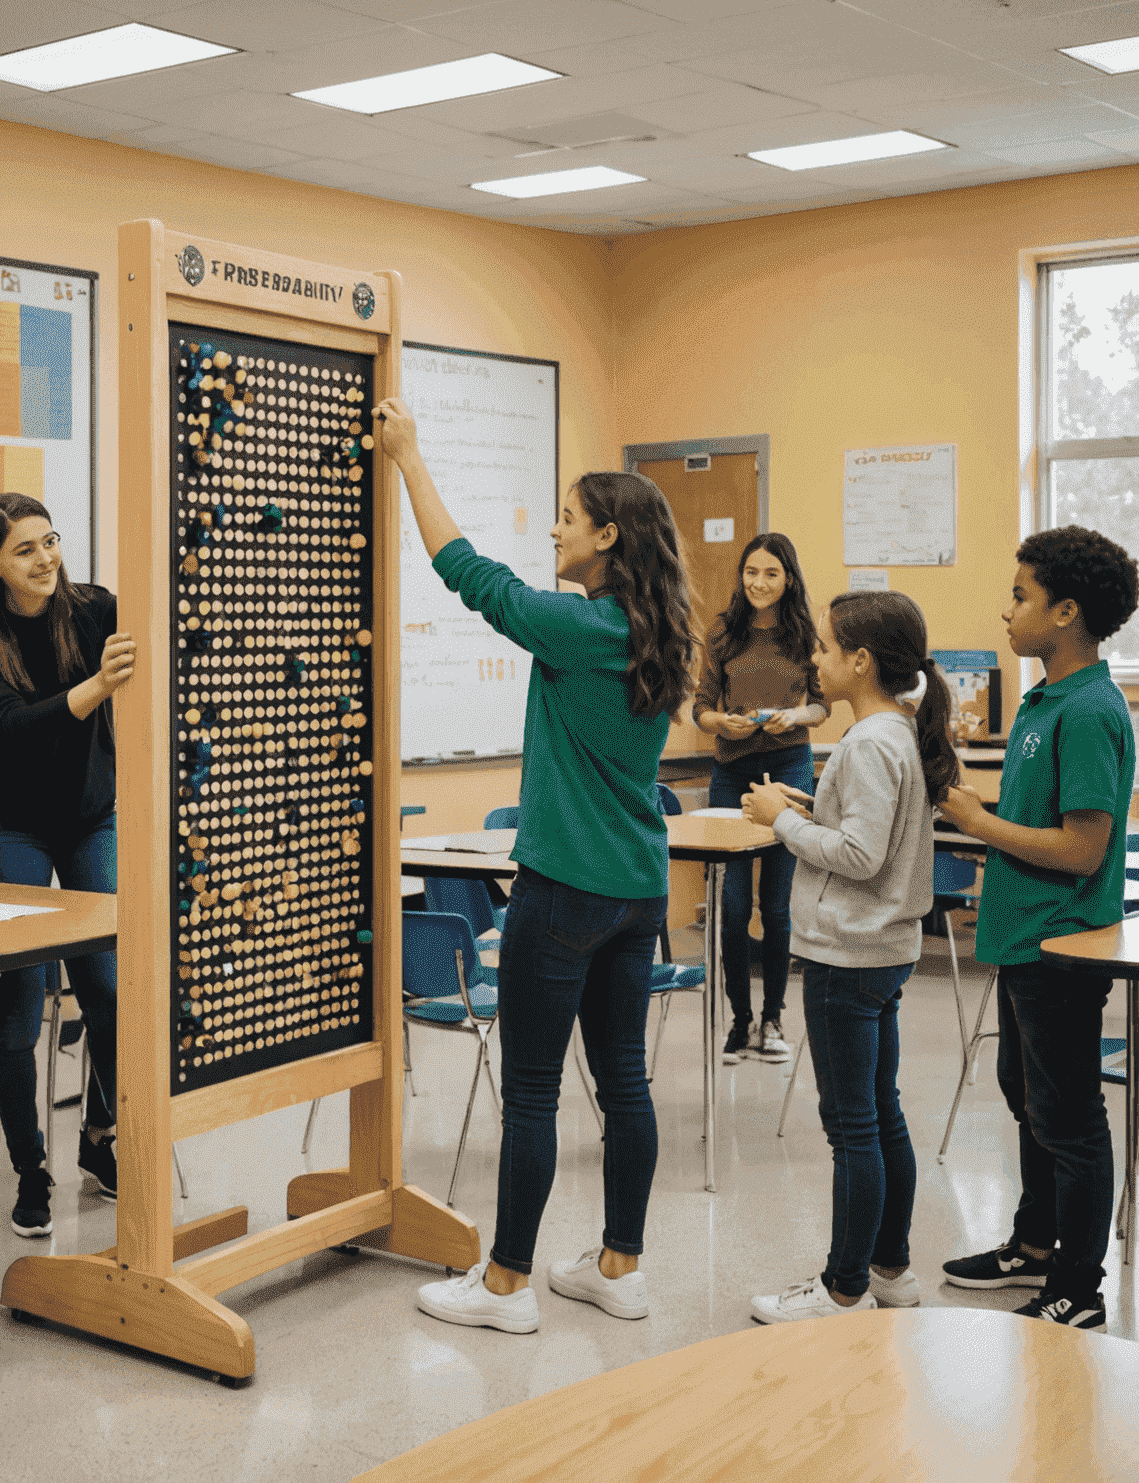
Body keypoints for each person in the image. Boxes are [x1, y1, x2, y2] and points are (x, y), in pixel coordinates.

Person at [379, 400, 699, 1335]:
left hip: (562, 890)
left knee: (530, 1091)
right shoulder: (654, 631)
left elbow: (466, 573)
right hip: (638, 891)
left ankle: (508, 1284)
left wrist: (409, 458)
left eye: (566, 516)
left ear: (607, 537)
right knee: (624, 1084)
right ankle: (617, 1268)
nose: (553, 527)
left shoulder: (583, 627)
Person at [937, 526, 1139, 1331]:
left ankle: (1078, 1291)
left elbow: (1083, 849)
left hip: (1061, 941)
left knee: (1070, 1118)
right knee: (1026, 1095)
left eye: (1019, 596)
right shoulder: (1044, 698)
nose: (1005, 610)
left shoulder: (1088, 710)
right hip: (1024, 937)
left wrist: (979, 823)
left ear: (1065, 611)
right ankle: (1034, 1243)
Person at [742, 589, 958, 1322]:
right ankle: (890, 1269)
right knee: (881, 1113)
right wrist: (807, 811)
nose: (815, 659)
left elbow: (862, 855)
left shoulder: (868, 742)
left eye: (827, 649)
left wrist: (781, 825)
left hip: (848, 956)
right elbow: (872, 833)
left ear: (861, 661)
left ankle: (842, 1288)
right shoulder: (896, 733)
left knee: (853, 1127)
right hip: (881, 950)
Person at [0, 493, 135, 1237]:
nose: (45, 558)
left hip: (90, 819)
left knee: (110, 988)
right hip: (12, 826)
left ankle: (101, 1135)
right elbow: (14, 728)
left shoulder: (92, 609)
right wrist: (97, 688)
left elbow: (175, 618)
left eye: (50, 540)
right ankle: (30, 1169)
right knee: (20, 1003)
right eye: (24, 549)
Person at [692, 533, 827, 1064]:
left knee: (776, 906)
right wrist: (718, 722)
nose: (759, 582)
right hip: (731, 773)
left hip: (790, 771)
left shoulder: (804, 635)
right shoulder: (722, 632)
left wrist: (794, 716)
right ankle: (738, 1019)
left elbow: (821, 706)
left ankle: (772, 1019)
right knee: (730, 908)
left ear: (788, 579)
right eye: (751, 572)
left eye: (771, 573)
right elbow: (702, 705)